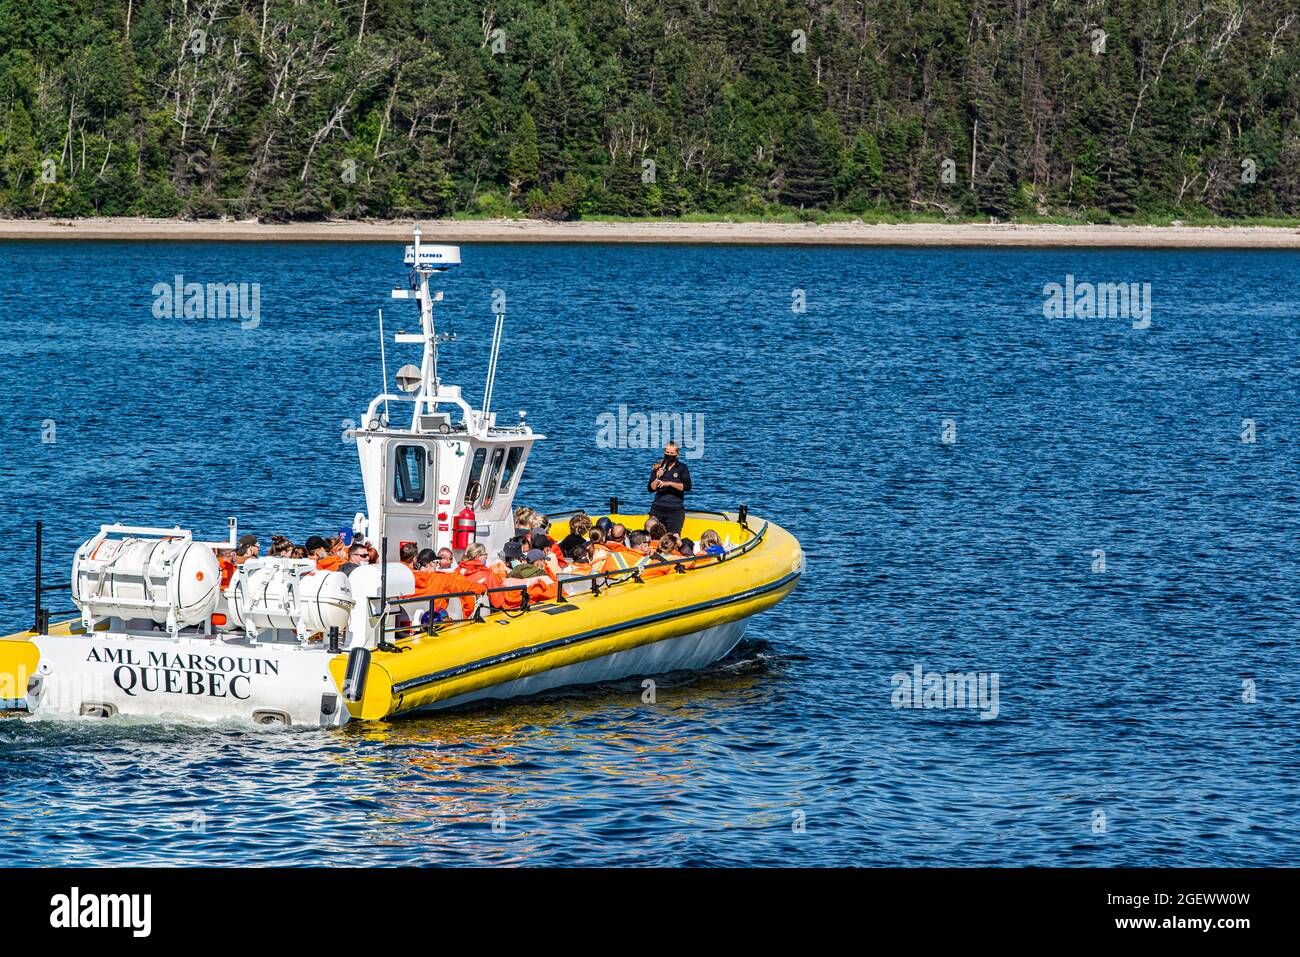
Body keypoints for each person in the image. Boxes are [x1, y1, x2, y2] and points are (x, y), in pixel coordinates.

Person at [647, 441, 691, 535]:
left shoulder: (682, 468)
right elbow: (650, 489)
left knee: (672, 537)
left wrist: (669, 484)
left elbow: (687, 487)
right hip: (658, 508)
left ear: (677, 454)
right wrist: (657, 477)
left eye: (672, 453)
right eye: (667, 453)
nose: (669, 455)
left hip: (675, 510)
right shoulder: (658, 467)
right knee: (653, 534)